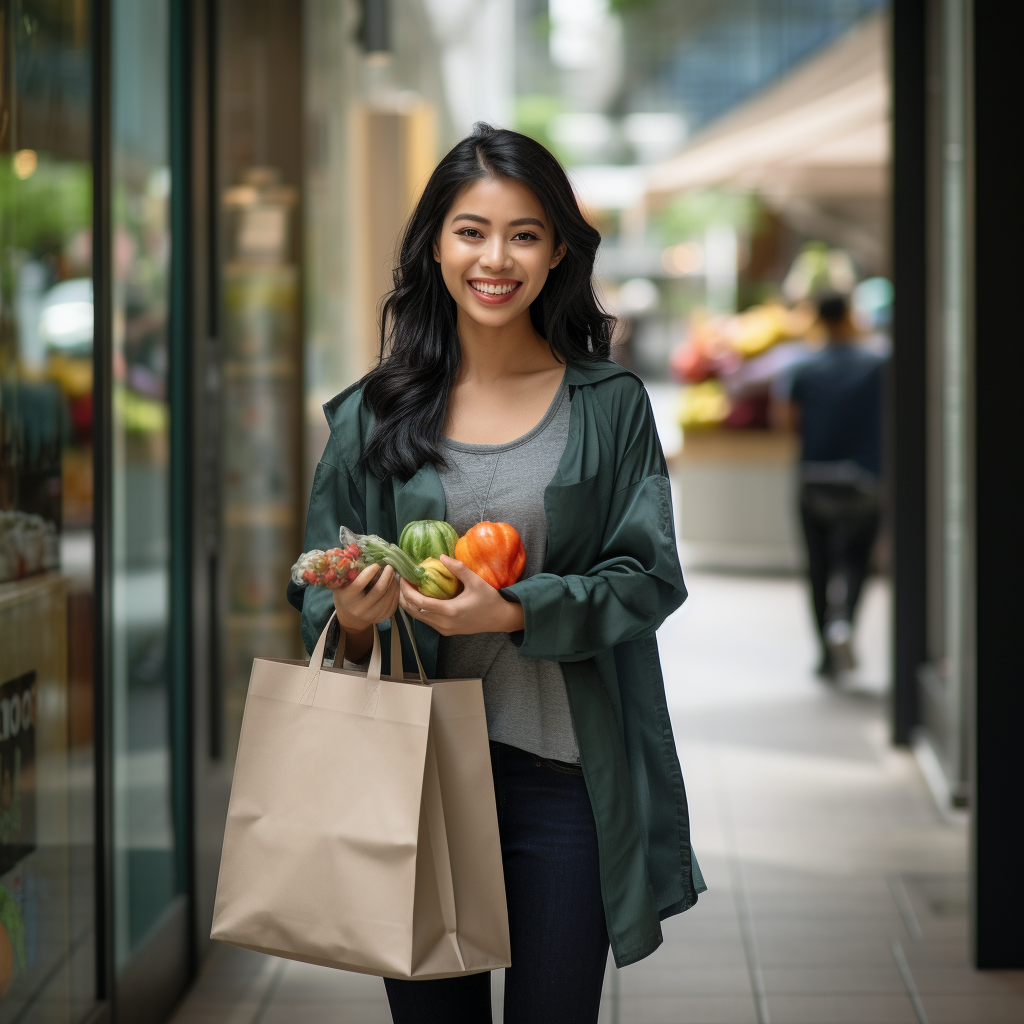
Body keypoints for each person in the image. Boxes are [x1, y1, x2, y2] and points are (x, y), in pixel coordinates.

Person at [287, 124, 704, 1024]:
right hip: (419, 780)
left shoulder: (610, 405)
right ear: (436, 242)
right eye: (471, 230)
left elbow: (650, 578)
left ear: (558, 251)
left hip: (565, 781)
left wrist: (515, 613)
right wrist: (354, 615)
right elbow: (318, 580)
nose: (495, 257)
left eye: (523, 233)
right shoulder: (374, 414)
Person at [773, 291, 886, 678]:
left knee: (818, 567)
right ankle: (845, 626)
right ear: (851, 317)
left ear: (816, 318)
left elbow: (785, 422)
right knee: (857, 560)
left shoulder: (802, 367)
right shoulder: (877, 363)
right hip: (865, 480)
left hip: (814, 479)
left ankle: (824, 653)